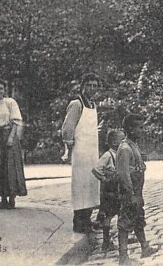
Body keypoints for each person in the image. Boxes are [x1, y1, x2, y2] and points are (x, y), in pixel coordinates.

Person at [61, 72, 101, 233]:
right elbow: (67, 128)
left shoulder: (92, 104)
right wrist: (69, 148)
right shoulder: (76, 104)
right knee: (80, 186)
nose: (91, 89)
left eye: (94, 86)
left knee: (91, 185)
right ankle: (79, 222)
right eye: (88, 85)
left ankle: (87, 219)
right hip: (80, 151)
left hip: (92, 150)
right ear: (82, 86)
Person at [116, 114, 159, 264]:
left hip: (137, 191)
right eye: (140, 128)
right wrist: (131, 194)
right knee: (125, 222)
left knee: (139, 218)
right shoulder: (125, 148)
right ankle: (123, 257)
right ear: (130, 129)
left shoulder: (133, 145)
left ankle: (145, 247)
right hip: (130, 192)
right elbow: (123, 174)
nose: (143, 130)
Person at [0, 78, 26, 209]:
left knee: (10, 166)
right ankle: (1, 197)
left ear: (4, 90)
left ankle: (11, 197)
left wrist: (11, 137)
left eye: (1, 89)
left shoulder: (10, 102)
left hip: (9, 135)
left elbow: (16, 121)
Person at [92, 129, 125, 252]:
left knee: (120, 213)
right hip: (109, 191)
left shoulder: (120, 154)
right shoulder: (108, 155)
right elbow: (96, 170)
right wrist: (104, 179)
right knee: (108, 216)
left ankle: (120, 238)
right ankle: (106, 242)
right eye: (122, 141)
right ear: (114, 142)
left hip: (118, 190)